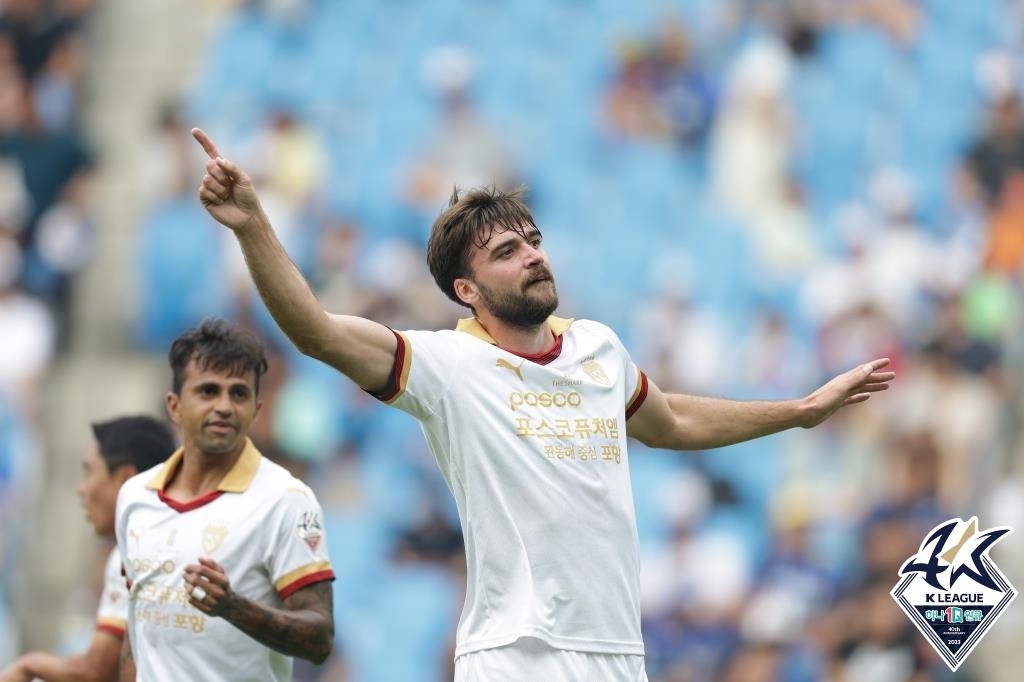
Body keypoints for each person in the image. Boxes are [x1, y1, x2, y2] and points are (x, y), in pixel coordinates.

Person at [190, 128, 895, 681]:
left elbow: (673, 421)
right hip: (515, 655)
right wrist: (253, 224)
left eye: (533, 241)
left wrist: (800, 410)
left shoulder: (597, 350)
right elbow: (315, 330)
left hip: (617, 653)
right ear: (467, 289)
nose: (532, 255)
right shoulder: (448, 365)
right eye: (506, 250)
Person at [114, 319, 335, 682]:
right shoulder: (135, 498)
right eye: (208, 391)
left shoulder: (286, 501)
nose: (224, 406)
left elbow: (320, 639)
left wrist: (233, 607)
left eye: (239, 393)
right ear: (174, 406)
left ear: (256, 410)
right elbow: (136, 629)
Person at [0, 416, 177, 682]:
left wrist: (27, 666)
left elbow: (94, 672)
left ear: (125, 478)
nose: (81, 489)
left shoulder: (134, 556)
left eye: (89, 472)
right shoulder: (175, 540)